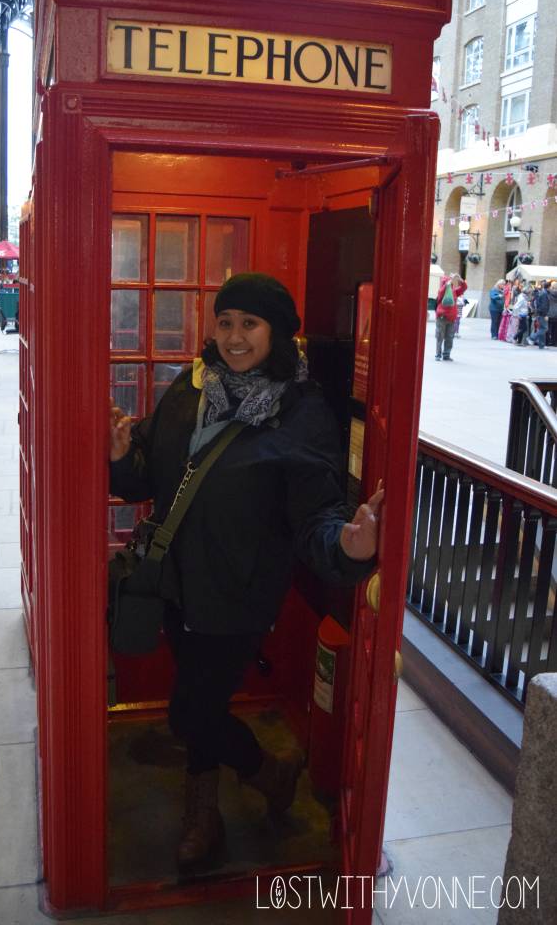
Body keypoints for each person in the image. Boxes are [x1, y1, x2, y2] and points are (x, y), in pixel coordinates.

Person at [109, 272, 383, 866]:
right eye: (225, 322)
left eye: (249, 324)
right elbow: (145, 480)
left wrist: (349, 547)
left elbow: (317, 515)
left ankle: (269, 773)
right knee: (202, 705)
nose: (233, 337)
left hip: (237, 595)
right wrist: (117, 455)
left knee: (190, 712)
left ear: (277, 333)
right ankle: (203, 813)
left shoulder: (301, 412)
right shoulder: (191, 386)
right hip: (175, 582)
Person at [435, 272, 467, 361]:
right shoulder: (442, 290)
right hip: (442, 316)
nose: (450, 283)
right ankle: (438, 354)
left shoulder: (454, 291)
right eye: (447, 282)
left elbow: (464, 288)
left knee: (450, 337)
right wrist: (448, 283)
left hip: (452, 317)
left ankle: (446, 354)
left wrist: (460, 280)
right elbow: (441, 293)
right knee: (440, 336)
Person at [528, 281, 550, 349]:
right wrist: (545, 314)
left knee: (542, 328)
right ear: (549, 287)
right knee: (544, 328)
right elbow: (544, 305)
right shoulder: (545, 294)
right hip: (542, 314)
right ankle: (531, 338)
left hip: (540, 313)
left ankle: (541, 344)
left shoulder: (543, 292)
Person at [547, 282, 557, 348]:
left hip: (550, 313)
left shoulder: (548, 294)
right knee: (555, 328)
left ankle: (548, 341)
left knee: (549, 328)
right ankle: (555, 342)